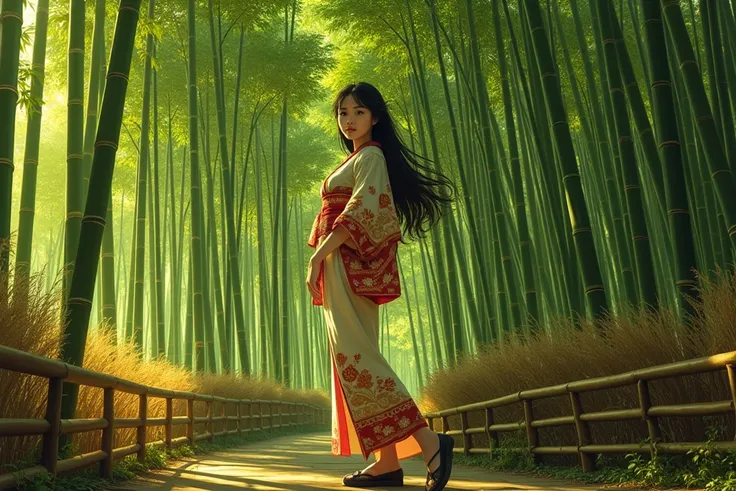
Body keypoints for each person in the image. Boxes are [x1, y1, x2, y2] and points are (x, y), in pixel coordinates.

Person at [306, 82, 456, 490]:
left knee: (359, 360)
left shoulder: (371, 155)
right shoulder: (354, 158)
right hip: (342, 268)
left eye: (358, 112)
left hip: (346, 268)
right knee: (356, 359)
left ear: (375, 116)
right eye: (342, 113)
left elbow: (366, 209)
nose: (349, 120)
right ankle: (387, 463)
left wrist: (320, 255)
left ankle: (430, 443)